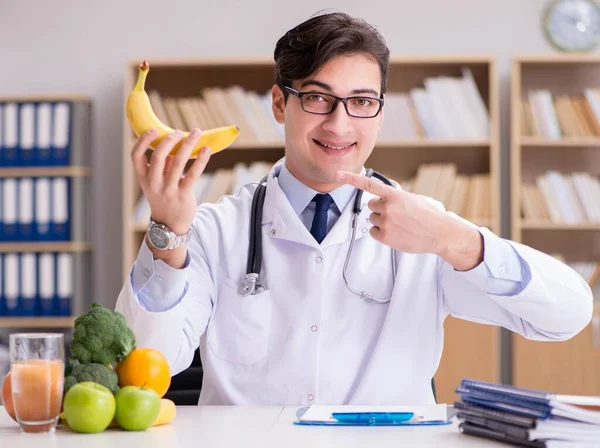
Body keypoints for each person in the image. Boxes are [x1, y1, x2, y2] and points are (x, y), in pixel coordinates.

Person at [115, 11, 593, 406]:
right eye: (319, 98)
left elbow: (568, 315)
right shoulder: (214, 228)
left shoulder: (427, 227)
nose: (340, 124)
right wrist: (168, 232)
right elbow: (146, 363)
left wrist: (456, 240)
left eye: (362, 101)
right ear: (280, 104)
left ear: (381, 111)